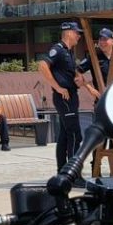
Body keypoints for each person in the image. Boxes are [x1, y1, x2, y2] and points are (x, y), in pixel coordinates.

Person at [40, 21, 85, 172]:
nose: (79, 36)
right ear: (69, 33)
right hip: (65, 98)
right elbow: (42, 66)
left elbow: (69, 72)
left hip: (71, 96)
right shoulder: (58, 49)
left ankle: (62, 171)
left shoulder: (69, 51)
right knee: (75, 135)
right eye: (77, 33)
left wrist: (78, 79)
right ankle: (73, 173)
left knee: (65, 135)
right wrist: (58, 87)